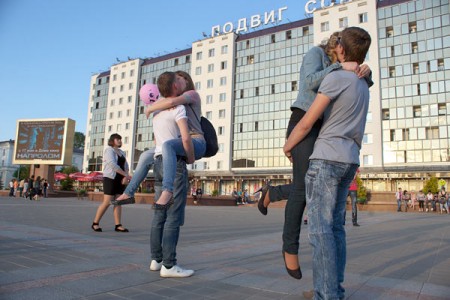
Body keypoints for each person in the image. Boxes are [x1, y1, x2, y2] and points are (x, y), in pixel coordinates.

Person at [255, 30, 372, 280]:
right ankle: (289, 248)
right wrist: (340, 68)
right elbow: (308, 82)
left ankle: (272, 193)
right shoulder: (315, 54)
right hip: (303, 120)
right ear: (334, 46)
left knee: (309, 184)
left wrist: (365, 71)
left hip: (324, 127)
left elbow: (357, 85)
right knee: (301, 189)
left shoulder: (344, 69)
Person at [114, 70, 206, 207]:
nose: (180, 80)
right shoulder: (169, 102)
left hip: (196, 141)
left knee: (167, 145)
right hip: (178, 142)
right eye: (178, 79)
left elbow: (172, 101)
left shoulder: (192, 95)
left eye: (183, 78)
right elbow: (165, 104)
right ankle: (129, 193)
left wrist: (149, 109)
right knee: (145, 155)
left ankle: (167, 191)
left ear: (188, 82)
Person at [149, 71, 195, 278]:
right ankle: (169, 265)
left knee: (159, 215)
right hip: (174, 164)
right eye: (178, 80)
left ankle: (156, 260)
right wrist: (191, 158)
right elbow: (185, 138)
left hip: (157, 163)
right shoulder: (178, 108)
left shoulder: (158, 112)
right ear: (175, 87)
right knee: (173, 217)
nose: (181, 80)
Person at [91, 133, 131, 232]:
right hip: (110, 178)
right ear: (112, 140)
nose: (120, 141)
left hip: (120, 179)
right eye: (118, 139)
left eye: (121, 139)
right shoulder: (109, 150)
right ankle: (95, 223)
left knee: (118, 202)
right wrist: (125, 175)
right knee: (107, 202)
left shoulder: (122, 152)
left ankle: (118, 225)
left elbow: (126, 166)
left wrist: (126, 175)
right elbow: (112, 164)